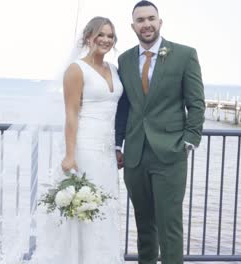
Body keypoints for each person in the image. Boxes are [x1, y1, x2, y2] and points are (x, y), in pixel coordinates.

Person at [115, 1, 205, 264]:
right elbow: (124, 107)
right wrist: (117, 145)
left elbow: (197, 103)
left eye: (151, 18)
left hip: (170, 154)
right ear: (133, 26)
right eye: (140, 20)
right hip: (135, 156)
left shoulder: (184, 55)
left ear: (160, 22)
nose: (147, 24)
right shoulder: (124, 59)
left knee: (169, 227)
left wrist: (189, 142)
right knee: (144, 227)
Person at [30, 16, 124, 263]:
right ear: (88, 38)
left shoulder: (114, 70)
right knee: (82, 210)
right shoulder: (76, 69)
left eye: (110, 35)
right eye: (100, 35)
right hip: (85, 148)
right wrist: (70, 155)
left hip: (107, 151)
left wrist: (117, 147)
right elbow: (71, 114)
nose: (105, 40)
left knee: (104, 208)